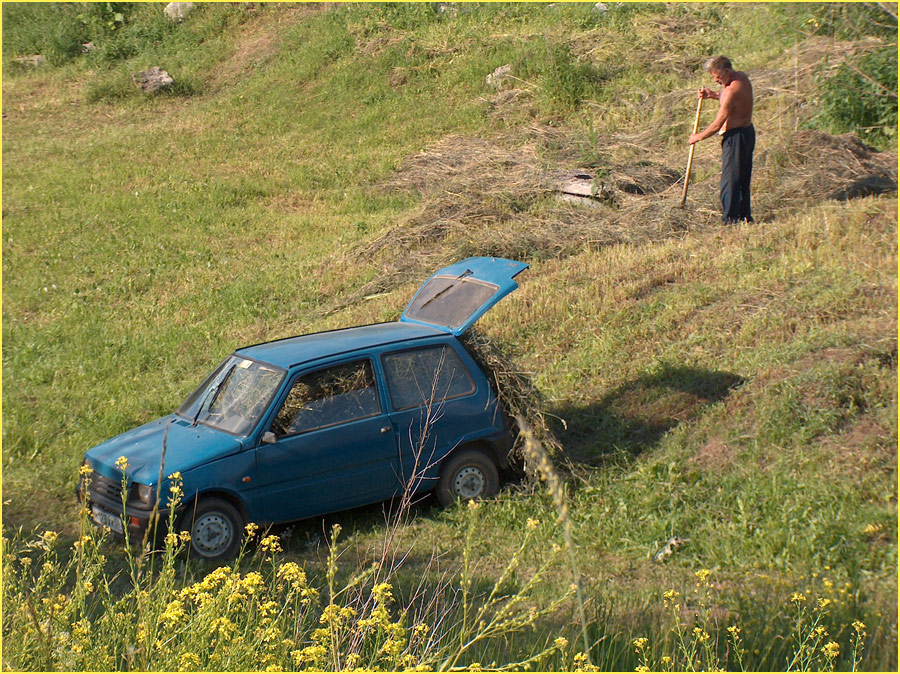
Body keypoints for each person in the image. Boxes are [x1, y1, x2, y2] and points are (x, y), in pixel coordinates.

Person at [689, 56, 755, 224]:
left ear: (726, 71)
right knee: (741, 178)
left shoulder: (731, 91)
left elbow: (717, 124)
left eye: (717, 76)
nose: (716, 80)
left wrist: (698, 136)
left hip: (736, 138)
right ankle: (744, 217)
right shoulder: (741, 78)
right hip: (747, 133)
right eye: (713, 77)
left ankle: (730, 220)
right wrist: (713, 95)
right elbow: (730, 98)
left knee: (730, 180)